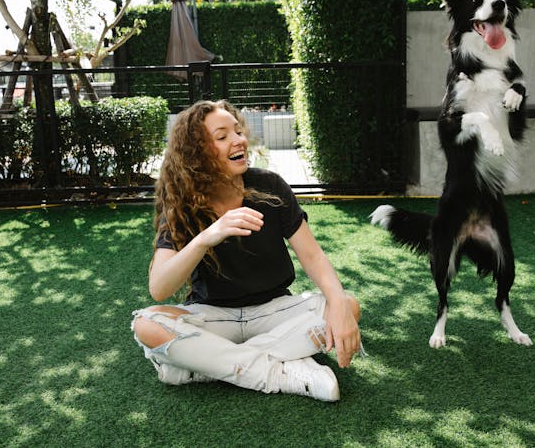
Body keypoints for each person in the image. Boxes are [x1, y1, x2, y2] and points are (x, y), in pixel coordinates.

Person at [131, 99, 363, 402]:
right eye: (222, 136)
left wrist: (338, 305)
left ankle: (205, 366)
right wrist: (206, 237)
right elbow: (159, 288)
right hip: (213, 316)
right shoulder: (182, 203)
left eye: (237, 131)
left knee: (346, 304)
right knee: (147, 325)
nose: (238, 140)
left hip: (273, 311)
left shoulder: (270, 186)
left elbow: (313, 256)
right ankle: (280, 374)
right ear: (197, 153)